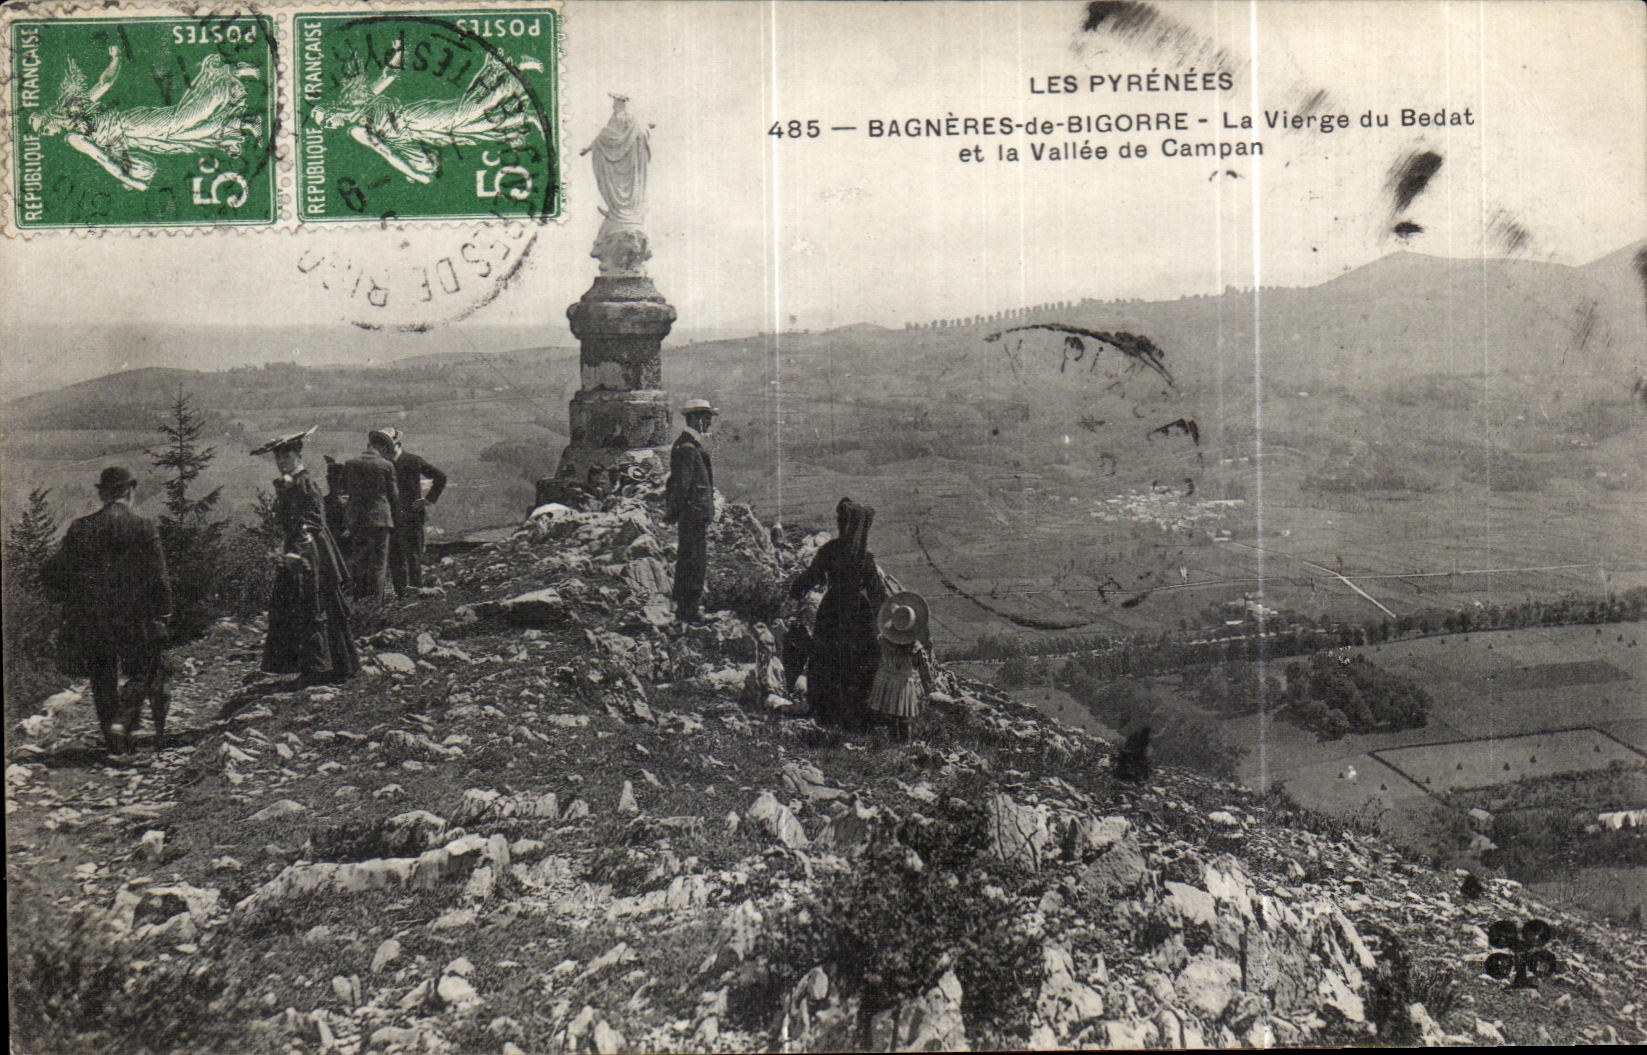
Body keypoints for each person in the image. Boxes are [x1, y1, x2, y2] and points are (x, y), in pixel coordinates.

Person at [39, 466, 172, 755]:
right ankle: (125, 725)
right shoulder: (143, 526)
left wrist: (73, 595)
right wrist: (163, 612)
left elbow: (51, 573)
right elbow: (159, 577)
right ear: (129, 491)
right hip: (134, 617)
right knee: (140, 670)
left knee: (102, 677)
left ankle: (114, 743)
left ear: (103, 494)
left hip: (92, 619)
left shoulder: (80, 528)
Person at [251, 428, 360, 685]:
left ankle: (322, 669)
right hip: (298, 551)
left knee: (315, 606)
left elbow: (312, 522)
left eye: (286, 458)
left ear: (298, 457)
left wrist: (297, 554)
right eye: (278, 459)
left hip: (311, 553)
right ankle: (316, 667)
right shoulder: (290, 484)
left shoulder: (306, 483)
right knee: (298, 607)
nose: (281, 464)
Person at [789, 498, 889, 728]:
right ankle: (856, 715)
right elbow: (878, 594)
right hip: (859, 615)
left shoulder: (831, 550)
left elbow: (811, 577)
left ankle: (826, 712)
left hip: (832, 611)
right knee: (859, 662)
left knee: (827, 659)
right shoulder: (866, 559)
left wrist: (796, 590)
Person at [664, 398, 717, 623]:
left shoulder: (689, 445)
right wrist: (676, 512)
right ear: (694, 418)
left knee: (691, 560)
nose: (709, 423)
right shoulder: (687, 448)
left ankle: (685, 608)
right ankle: (689, 610)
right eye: (705, 418)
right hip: (693, 515)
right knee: (694, 561)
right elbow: (682, 486)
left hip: (694, 514)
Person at [382, 429, 447, 596]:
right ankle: (402, 595)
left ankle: (417, 592)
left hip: (413, 516)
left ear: (398, 444)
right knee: (396, 558)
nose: (386, 450)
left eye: (390, 446)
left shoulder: (412, 460)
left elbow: (440, 477)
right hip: (393, 517)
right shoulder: (383, 464)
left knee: (413, 557)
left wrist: (429, 499)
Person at [867, 592, 935, 742]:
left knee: (889, 716)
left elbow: (873, 659)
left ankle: (890, 743)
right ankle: (904, 744)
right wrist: (928, 684)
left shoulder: (883, 642)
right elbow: (924, 668)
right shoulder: (915, 648)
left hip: (885, 681)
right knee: (904, 718)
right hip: (904, 685)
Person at [342, 429, 400, 600]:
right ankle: (376, 604)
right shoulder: (386, 465)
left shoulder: (350, 463)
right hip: (380, 520)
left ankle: (359, 602)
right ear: (382, 447)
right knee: (378, 565)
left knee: (359, 562)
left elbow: (344, 491)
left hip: (357, 520)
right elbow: (394, 496)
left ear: (369, 445)